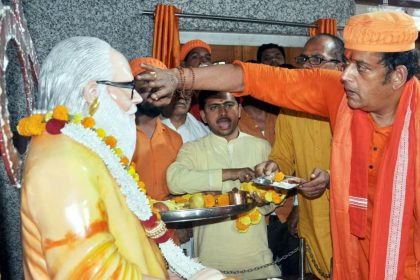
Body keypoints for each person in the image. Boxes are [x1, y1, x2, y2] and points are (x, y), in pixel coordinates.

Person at [139, 10, 420, 280]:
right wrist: (179, 77)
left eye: (361, 67)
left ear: (397, 76)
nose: (346, 75)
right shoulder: (339, 94)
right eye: (347, 63)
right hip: (349, 260)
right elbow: (257, 78)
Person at [19, 37, 225, 280]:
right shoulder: (60, 163)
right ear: (92, 92)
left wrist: (168, 274)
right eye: (128, 87)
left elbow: (124, 246)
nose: (137, 99)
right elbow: (92, 274)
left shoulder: (87, 151)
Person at [167, 91, 281, 279]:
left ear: (238, 111)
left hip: (257, 261)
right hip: (210, 264)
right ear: (203, 115)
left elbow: (274, 196)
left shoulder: (261, 147)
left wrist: (264, 202)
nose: (222, 112)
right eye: (214, 107)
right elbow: (175, 180)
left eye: (228, 105)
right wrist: (229, 174)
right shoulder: (193, 149)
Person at [270, 33, 345, 279]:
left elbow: (368, 168)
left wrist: (332, 178)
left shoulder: (352, 103)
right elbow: (283, 156)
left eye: (317, 59)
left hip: (349, 223)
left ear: (341, 66)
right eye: (304, 59)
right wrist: (272, 166)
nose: (307, 66)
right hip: (312, 220)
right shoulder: (291, 107)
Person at [129, 57, 183, 201]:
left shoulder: (175, 139)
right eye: (147, 81)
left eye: (160, 84)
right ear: (131, 88)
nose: (155, 89)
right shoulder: (116, 136)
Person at [180, 39, 212, 121]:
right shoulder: (179, 93)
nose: (203, 60)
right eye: (195, 57)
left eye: (207, 58)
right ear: (184, 64)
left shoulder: (219, 90)